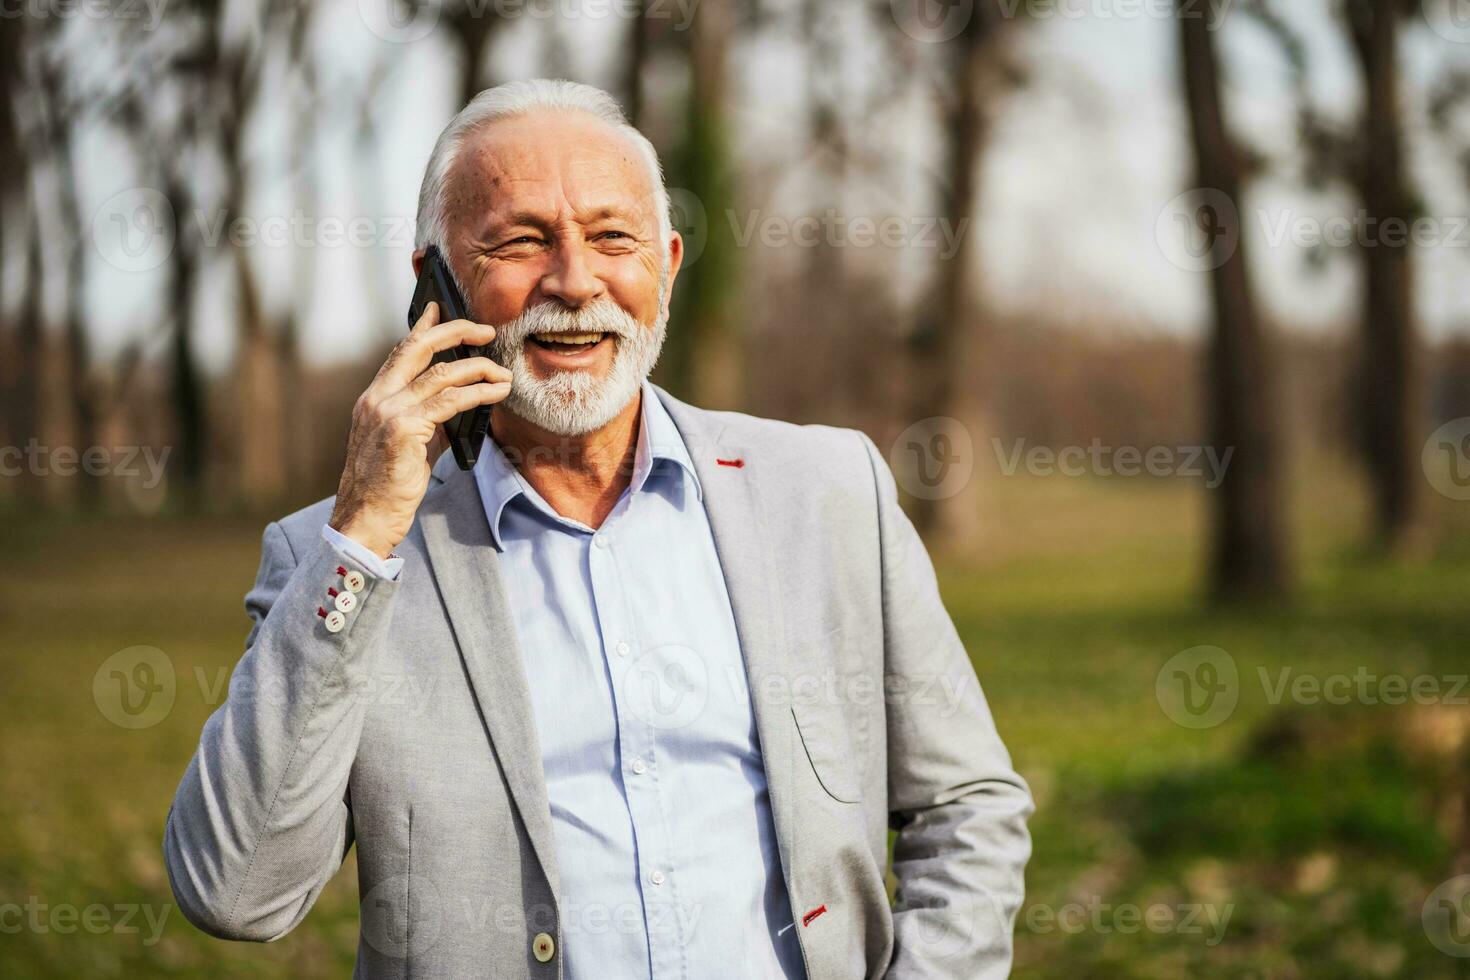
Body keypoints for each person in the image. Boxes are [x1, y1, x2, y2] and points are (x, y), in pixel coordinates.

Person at [163, 78, 1032, 980]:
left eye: (613, 238)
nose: (576, 282)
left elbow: (966, 805)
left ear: (667, 265)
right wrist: (365, 531)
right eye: (520, 241)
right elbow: (237, 892)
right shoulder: (336, 559)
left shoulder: (826, 491)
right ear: (436, 281)